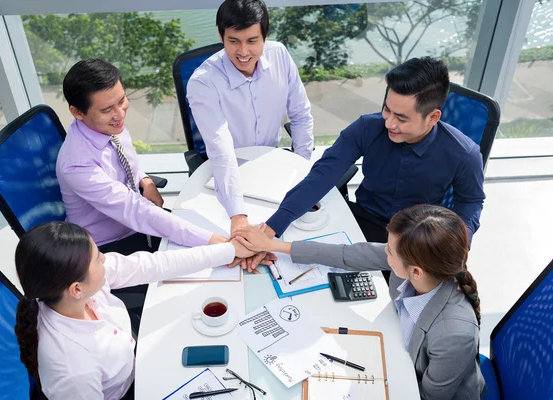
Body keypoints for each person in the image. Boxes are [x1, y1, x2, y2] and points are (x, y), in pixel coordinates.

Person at [251, 57, 485, 270]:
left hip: (415, 238)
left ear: (433, 117)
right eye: (387, 109)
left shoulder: (464, 153)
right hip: (362, 219)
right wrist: (270, 230)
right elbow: (322, 175)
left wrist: (457, 243)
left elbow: (470, 201)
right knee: (295, 269)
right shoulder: (367, 127)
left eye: (401, 118)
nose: (389, 123)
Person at [233, 205, 485, 399]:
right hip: (390, 356)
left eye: (389, 251)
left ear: (416, 271)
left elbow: (424, 396)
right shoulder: (420, 271)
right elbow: (348, 254)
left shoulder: (454, 333)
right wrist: (272, 245)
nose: (383, 251)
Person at [14, 221, 251, 400]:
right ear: (76, 289)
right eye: (98, 259)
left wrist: (230, 250)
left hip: (136, 359)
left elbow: (152, 264)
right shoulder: (74, 371)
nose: (105, 260)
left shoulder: (73, 290)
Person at [57, 58, 226, 256]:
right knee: (205, 260)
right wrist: (213, 242)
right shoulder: (77, 165)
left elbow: (120, 164)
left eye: (121, 101)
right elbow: (134, 210)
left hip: (138, 223)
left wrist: (142, 179)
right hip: (107, 248)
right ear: (77, 112)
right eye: (106, 110)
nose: (120, 114)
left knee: (214, 225)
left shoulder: (107, 126)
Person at [187, 0, 314, 236]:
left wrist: (303, 176)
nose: (243, 52)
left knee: (297, 235)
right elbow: (220, 147)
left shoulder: (280, 56)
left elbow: (301, 115)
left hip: (273, 168)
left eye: (252, 41)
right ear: (220, 35)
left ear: (265, 36)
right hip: (225, 174)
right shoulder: (202, 82)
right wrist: (237, 215)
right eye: (233, 41)